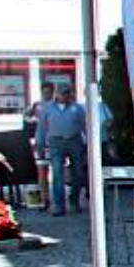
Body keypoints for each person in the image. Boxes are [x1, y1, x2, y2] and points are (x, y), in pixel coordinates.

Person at [33, 84, 89, 216]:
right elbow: (41, 128)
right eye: (62, 93)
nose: (65, 95)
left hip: (75, 141)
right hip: (55, 142)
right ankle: (59, 206)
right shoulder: (48, 108)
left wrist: (88, 144)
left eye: (67, 92)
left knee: (78, 173)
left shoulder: (78, 108)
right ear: (56, 94)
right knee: (57, 174)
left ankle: (74, 201)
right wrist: (39, 143)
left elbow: (85, 126)